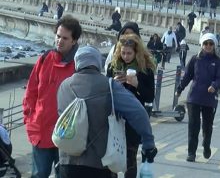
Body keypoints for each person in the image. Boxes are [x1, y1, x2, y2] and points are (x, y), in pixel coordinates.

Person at [56, 46, 157, 178]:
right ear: (98, 63)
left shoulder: (64, 86)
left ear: (77, 63)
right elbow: (139, 112)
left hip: (67, 163)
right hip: (98, 165)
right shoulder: (109, 86)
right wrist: (148, 142)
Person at [22, 15, 82, 178]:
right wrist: (29, 117)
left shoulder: (79, 65)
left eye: (65, 38)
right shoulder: (44, 59)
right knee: (39, 174)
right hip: (41, 130)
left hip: (67, 134)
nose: (59, 41)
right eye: (58, 36)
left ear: (74, 40)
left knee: (63, 175)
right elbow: (31, 91)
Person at [106, 34, 156, 178]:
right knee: (111, 158)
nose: (126, 56)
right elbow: (105, 92)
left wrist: (137, 84)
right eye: (123, 53)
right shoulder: (112, 66)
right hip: (114, 118)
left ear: (136, 53)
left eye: (129, 53)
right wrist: (113, 83)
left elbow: (149, 97)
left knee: (130, 159)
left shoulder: (145, 70)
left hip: (133, 121)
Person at [175, 33, 220, 162]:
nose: (208, 46)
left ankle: (206, 145)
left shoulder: (218, 61)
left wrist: (214, 85)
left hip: (209, 98)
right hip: (194, 98)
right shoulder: (194, 59)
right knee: (193, 126)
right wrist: (180, 88)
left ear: (214, 46)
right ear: (201, 45)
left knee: (207, 126)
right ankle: (191, 152)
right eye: (205, 43)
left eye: (210, 44)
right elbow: (187, 76)